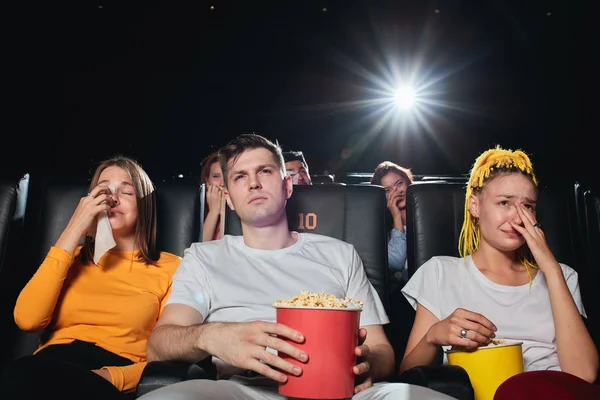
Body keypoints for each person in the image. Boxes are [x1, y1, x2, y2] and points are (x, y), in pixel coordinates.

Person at [139, 134, 455, 400]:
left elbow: (381, 350)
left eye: (264, 171)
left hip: (341, 390)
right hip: (244, 390)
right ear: (230, 199)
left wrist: (367, 363)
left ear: (288, 186)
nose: (252, 184)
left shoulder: (340, 254)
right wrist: (210, 336)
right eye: (239, 176)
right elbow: (159, 344)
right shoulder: (203, 258)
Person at [400, 146, 599, 398]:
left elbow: (584, 374)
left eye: (528, 206)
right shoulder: (439, 272)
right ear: (475, 206)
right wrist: (432, 336)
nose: (518, 217)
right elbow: (408, 376)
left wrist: (550, 266)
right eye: (504, 202)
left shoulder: (563, 275)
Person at [0, 156, 181, 399]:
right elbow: (28, 320)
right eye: (104, 190)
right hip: (46, 367)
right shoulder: (68, 258)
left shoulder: (171, 267)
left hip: (110, 376)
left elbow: (170, 353)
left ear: (144, 205)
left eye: (126, 192)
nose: (112, 198)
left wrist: (113, 377)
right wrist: (75, 227)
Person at [370, 161, 414, 281]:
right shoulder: (377, 227)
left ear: (408, 181)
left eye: (399, 183)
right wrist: (396, 216)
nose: (396, 192)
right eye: (387, 190)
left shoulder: (425, 218)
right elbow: (397, 261)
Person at [200, 151, 226, 241]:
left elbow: (227, 250)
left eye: (227, 177)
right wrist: (213, 211)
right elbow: (200, 250)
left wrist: (224, 211)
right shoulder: (197, 211)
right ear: (207, 181)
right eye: (216, 176)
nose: (222, 183)